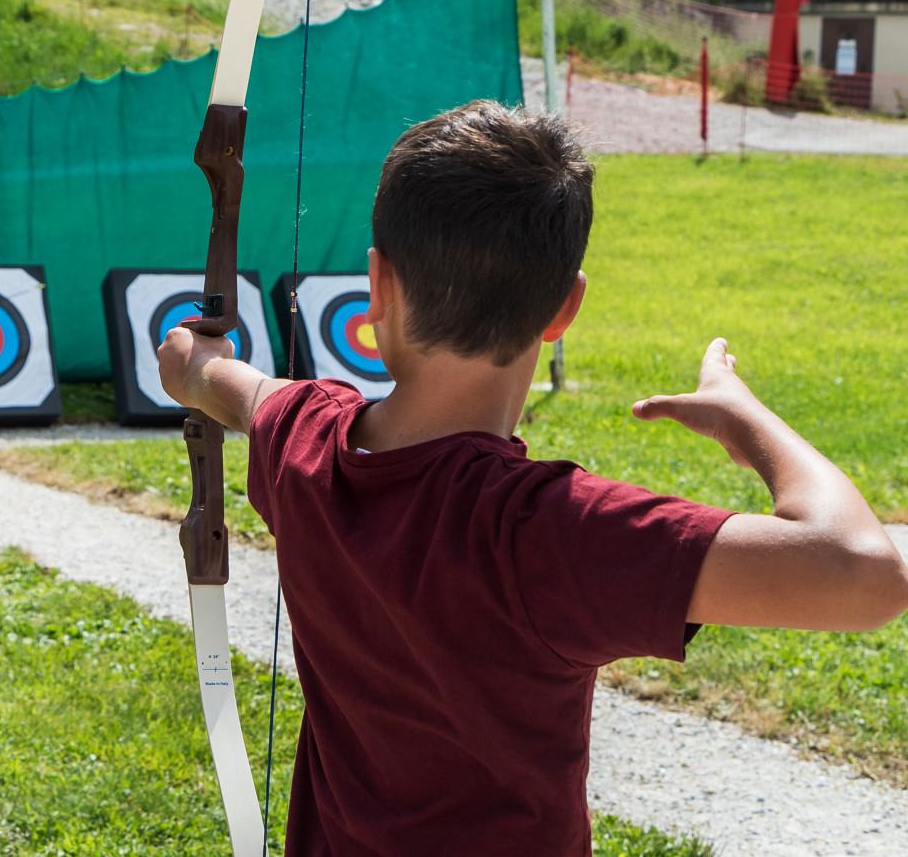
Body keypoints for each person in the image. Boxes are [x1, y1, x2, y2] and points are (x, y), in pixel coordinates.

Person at [156, 100, 908, 856]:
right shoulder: (546, 531)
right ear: (564, 309)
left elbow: (226, 382)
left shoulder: (306, 440)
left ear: (376, 285)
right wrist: (743, 417)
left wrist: (192, 363)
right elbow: (863, 574)